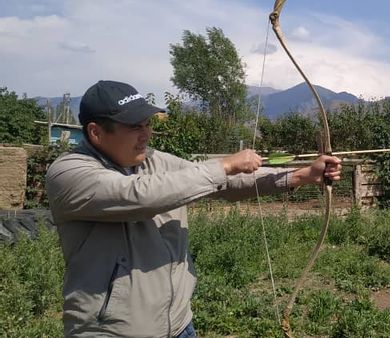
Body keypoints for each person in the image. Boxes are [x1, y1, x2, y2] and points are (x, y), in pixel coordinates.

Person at [46, 80, 341, 338]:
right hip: (114, 331)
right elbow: (141, 196)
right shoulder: (69, 173)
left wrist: (302, 175)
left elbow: (221, 183)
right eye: (134, 126)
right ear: (96, 133)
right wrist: (225, 164)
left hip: (179, 325)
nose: (146, 133)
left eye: (147, 123)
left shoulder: (153, 161)